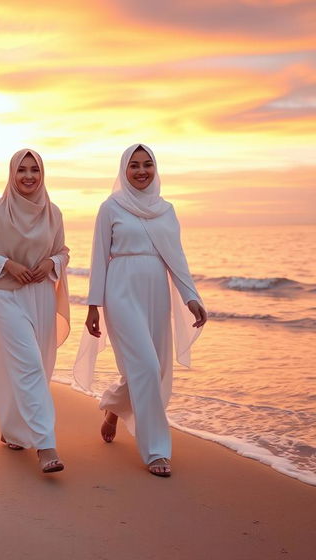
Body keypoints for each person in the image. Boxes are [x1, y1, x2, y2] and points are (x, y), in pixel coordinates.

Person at [74, 143, 206, 477]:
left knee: (155, 367)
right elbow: (98, 258)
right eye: (134, 165)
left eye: (147, 164)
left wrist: (191, 297)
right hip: (120, 291)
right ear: (124, 170)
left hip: (156, 293)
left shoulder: (167, 210)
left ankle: (114, 409)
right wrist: (93, 306)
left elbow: (177, 257)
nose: (142, 171)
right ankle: (156, 451)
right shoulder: (111, 207)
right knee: (145, 366)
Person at [0, 149, 70, 473]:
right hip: (7, 297)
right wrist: (6, 264)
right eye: (22, 170)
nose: (29, 176)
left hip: (41, 296)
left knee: (37, 365)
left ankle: (13, 430)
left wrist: (50, 263)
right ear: (12, 174)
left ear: (42, 174)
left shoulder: (53, 213)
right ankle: (46, 445)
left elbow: (63, 252)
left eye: (35, 170)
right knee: (28, 366)